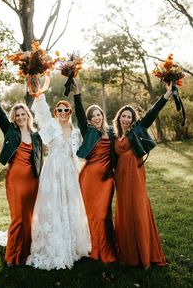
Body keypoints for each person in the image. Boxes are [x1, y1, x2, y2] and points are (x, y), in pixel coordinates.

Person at [26, 77, 91, 270]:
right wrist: (38, 93)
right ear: (56, 112)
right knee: (53, 204)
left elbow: (79, 153)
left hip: (69, 171)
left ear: (70, 112)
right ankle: (52, 245)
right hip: (52, 170)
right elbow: (41, 110)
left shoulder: (75, 131)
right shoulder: (50, 126)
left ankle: (71, 243)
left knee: (69, 204)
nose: (63, 113)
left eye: (66, 110)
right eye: (60, 110)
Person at [112, 83, 173, 269]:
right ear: (119, 118)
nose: (126, 119)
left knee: (138, 212)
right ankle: (129, 254)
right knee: (125, 212)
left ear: (132, 119)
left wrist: (167, 94)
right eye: (123, 116)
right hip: (120, 179)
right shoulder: (115, 135)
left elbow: (152, 114)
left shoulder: (137, 129)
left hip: (136, 177)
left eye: (129, 117)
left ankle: (145, 256)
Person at [0, 81, 43, 266]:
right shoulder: (10, 131)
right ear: (14, 117)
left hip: (32, 181)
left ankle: (25, 252)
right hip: (15, 180)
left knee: (28, 218)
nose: (20, 117)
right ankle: (11, 257)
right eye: (17, 115)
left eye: (23, 114)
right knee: (18, 218)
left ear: (28, 116)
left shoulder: (36, 136)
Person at [72, 78, 117, 263]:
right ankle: (97, 249)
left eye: (99, 114)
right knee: (94, 216)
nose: (97, 118)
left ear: (102, 116)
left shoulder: (112, 132)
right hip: (89, 178)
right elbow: (80, 113)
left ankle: (109, 247)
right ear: (90, 121)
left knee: (104, 215)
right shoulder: (89, 131)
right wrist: (77, 93)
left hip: (107, 179)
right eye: (93, 116)